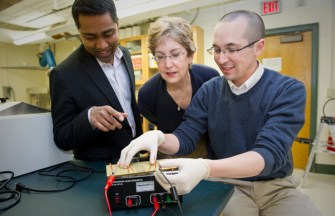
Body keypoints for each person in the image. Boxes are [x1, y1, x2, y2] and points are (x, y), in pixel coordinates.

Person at [118, 10, 322, 216]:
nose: (222, 59)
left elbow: (269, 154)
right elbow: (186, 137)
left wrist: (205, 168)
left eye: (232, 49)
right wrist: (159, 137)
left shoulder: (287, 89)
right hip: (229, 185)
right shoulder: (210, 89)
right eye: (216, 50)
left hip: (277, 187)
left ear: (259, 46)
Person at [49, 0, 142, 162]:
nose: (102, 45)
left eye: (108, 34)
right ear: (79, 33)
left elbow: (128, 103)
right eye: (90, 37)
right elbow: (62, 138)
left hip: (134, 156)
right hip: (97, 169)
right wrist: (89, 118)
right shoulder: (64, 74)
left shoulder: (125, 55)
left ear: (117, 24)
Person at [138, 16, 220, 159]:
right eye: (160, 56)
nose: (168, 64)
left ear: (190, 55)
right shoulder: (148, 95)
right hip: (171, 158)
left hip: (210, 157)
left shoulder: (210, 79)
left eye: (175, 55)